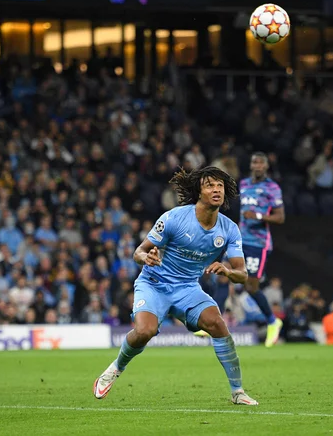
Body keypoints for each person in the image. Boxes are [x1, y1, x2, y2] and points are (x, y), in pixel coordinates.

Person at [92, 166, 258, 405]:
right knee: (144, 332)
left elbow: (243, 274)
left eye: (220, 186)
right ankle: (115, 369)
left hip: (187, 289)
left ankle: (238, 392)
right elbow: (139, 251)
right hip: (154, 283)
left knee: (218, 324)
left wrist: (229, 271)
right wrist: (145, 258)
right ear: (199, 191)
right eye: (210, 185)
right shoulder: (174, 218)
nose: (216, 190)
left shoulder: (229, 229)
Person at [237, 152, 285, 347]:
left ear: (266, 166)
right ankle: (206, 323)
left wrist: (257, 216)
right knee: (221, 273)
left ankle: (273, 321)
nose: (256, 165)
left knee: (251, 287)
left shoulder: (272, 188)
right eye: (253, 162)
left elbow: (280, 218)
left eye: (260, 163)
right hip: (240, 240)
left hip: (259, 244)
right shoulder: (243, 184)